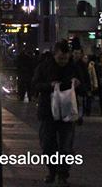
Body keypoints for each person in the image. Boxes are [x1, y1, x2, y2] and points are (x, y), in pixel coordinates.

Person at [32, 40, 84, 185]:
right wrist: (49, 85)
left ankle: (63, 174)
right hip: (48, 111)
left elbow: (85, 87)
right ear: (54, 55)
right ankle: (52, 171)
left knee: (66, 146)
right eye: (60, 58)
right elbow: (35, 84)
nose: (63, 61)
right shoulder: (44, 66)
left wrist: (78, 84)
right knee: (47, 145)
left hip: (68, 112)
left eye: (66, 58)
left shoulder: (74, 68)